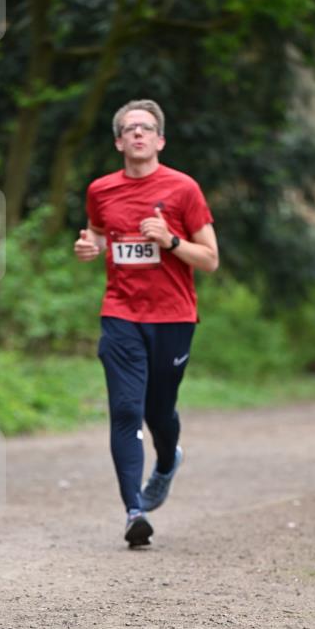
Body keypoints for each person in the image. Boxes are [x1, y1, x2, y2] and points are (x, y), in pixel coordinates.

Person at [74, 99, 218, 546]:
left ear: (159, 140)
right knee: (125, 409)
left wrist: (171, 240)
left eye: (147, 127)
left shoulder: (183, 189)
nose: (138, 133)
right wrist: (91, 245)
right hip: (120, 312)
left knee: (159, 411)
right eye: (130, 128)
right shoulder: (101, 190)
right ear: (119, 141)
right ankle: (134, 510)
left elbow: (210, 259)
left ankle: (167, 460)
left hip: (174, 316)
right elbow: (99, 230)